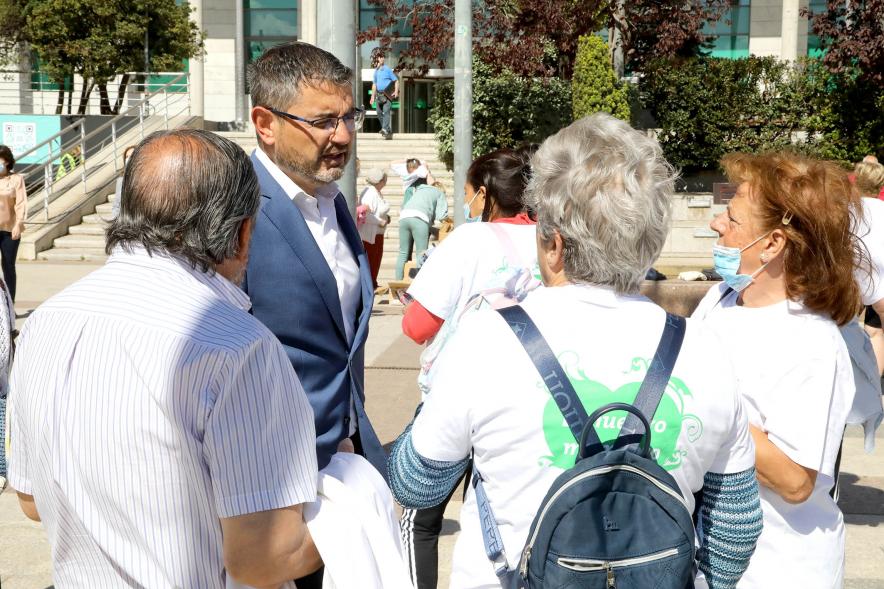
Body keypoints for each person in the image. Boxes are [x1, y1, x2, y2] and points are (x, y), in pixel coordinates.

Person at [390, 114, 762, 589]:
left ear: (554, 245)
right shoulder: (703, 347)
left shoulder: (486, 340)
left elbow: (416, 484)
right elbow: (736, 523)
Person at [5, 129, 321, 587]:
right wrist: (355, 514)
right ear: (241, 232)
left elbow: (31, 501)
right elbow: (262, 557)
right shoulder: (239, 347)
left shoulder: (45, 322)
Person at [692, 151, 860, 588]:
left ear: (772, 244)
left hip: (779, 569)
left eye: (732, 219)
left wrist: (706, 407)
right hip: (712, 559)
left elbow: (795, 481)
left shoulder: (812, 344)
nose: (716, 225)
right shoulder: (721, 300)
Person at [246, 43, 387, 485]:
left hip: (346, 458)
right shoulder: (236, 212)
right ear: (266, 124)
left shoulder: (333, 201)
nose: (343, 135)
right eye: (323, 122)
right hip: (271, 476)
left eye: (348, 117)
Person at [398, 148, 539, 589]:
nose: (466, 204)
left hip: (457, 400)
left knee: (418, 516)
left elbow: (417, 326)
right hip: (529, 403)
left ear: (483, 194)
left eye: (468, 195)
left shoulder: (467, 242)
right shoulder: (553, 243)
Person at [395, 178, 447, 281]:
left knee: (403, 253)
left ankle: (397, 285)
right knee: (421, 254)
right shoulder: (439, 193)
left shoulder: (420, 189)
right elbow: (442, 216)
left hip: (404, 217)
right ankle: (419, 286)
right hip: (420, 219)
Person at [0, 145, 27, 301]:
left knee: (8, 267)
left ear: (7, 162)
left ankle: (9, 303)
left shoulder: (17, 179)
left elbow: (21, 203)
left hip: (10, 231)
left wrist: (18, 223)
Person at [359, 168, 391, 292]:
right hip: (371, 234)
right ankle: (369, 284)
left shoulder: (374, 192)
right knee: (371, 259)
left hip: (377, 233)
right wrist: (380, 221)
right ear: (380, 180)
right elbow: (365, 214)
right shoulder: (370, 192)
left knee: (375, 259)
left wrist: (385, 218)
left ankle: (372, 283)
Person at [371, 52, 399, 139]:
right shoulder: (376, 71)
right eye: (380, 57)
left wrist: (396, 91)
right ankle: (387, 129)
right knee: (379, 113)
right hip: (378, 96)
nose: (382, 58)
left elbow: (396, 81)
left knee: (386, 111)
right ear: (377, 59)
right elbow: (374, 84)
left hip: (387, 95)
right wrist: (372, 96)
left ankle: (384, 128)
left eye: (383, 57)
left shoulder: (387, 69)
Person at [111, 145, 137, 219]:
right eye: (127, 156)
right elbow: (117, 205)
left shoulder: (146, 177)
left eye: (132, 155)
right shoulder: (122, 180)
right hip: (127, 222)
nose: (128, 159)